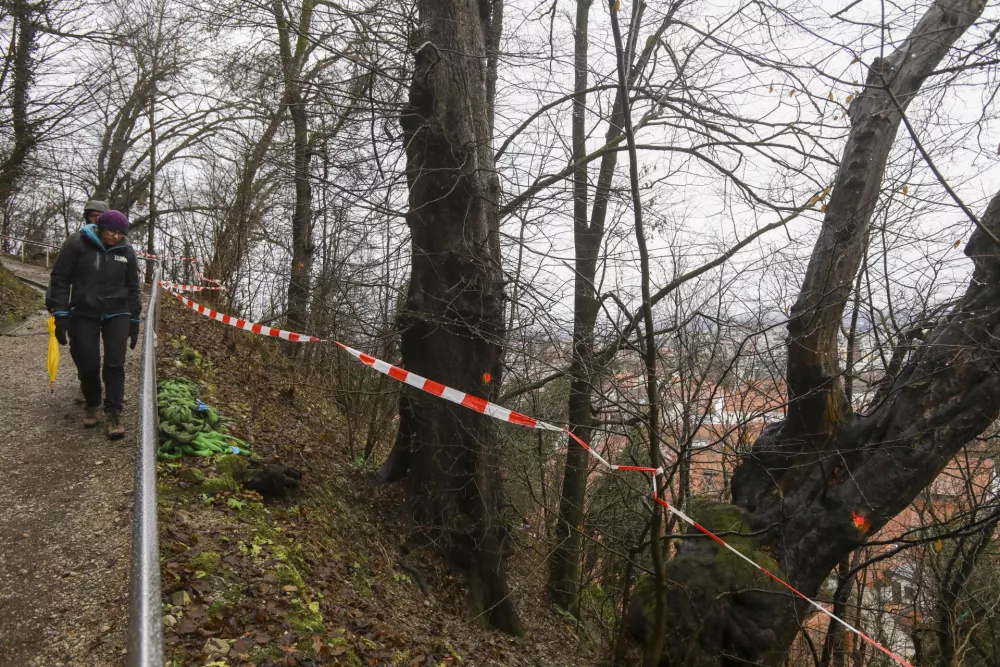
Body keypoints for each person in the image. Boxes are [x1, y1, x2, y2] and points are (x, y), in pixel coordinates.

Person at [46, 208, 141, 439]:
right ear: (100, 227)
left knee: (114, 364)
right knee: (87, 363)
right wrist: (59, 313)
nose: (116, 237)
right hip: (84, 311)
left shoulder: (126, 251)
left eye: (121, 233)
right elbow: (60, 279)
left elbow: (133, 287)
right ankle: (93, 401)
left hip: (118, 313)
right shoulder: (77, 244)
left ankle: (114, 412)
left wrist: (135, 318)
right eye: (112, 232)